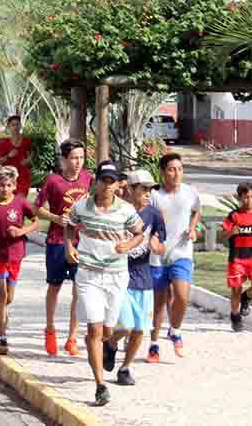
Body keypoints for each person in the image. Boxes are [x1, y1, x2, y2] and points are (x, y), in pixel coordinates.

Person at [65, 161, 144, 406]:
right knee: (93, 330)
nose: (108, 185)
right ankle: (100, 385)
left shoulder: (126, 210)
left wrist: (128, 245)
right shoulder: (82, 206)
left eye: (112, 181)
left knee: (108, 331)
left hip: (115, 275)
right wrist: (69, 246)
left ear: (118, 184)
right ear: (96, 181)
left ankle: (110, 346)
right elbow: (69, 224)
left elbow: (139, 233)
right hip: (88, 274)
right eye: (104, 180)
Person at [105, 169, 165, 386]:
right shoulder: (118, 212)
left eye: (151, 189)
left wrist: (157, 246)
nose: (148, 193)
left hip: (144, 278)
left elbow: (160, 243)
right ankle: (111, 344)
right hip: (120, 277)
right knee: (126, 325)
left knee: (141, 329)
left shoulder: (154, 215)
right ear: (130, 189)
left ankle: (125, 368)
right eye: (144, 188)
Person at [34, 139, 93, 356]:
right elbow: (37, 208)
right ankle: (50, 329)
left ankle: (72, 337)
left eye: (81, 157)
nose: (78, 162)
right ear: (64, 159)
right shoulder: (53, 181)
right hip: (57, 241)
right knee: (55, 287)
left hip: (82, 241)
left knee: (79, 289)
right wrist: (56, 218)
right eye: (74, 158)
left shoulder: (88, 178)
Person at [148, 152, 201, 361]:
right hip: (158, 255)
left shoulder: (190, 192)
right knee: (159, 303)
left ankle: (175, 330)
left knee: (182, 296)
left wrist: (192, 227)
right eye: (171, 169)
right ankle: (153, 343)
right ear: (162, 172)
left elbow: (197, 210)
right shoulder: (154, 196)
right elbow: (144, 219)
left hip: (182, 252)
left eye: (180, 169)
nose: (176, 173)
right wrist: (152, 239)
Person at [0, 166, 37, 356]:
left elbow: (36, 221)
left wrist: (21, 232)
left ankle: (4, 315)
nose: (5, 189)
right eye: (1, 185)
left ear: (14, 186)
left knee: (9, 297)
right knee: (1, 294)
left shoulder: (21, 202)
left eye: (8, 185)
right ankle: (2, 337)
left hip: (15, 253)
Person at [221, 182, 252, 332]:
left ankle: (246, 298)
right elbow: (222, 236)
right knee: (235, 290)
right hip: (237, 258)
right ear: (240, 198)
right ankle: (235, 316)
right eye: (246, 198)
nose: (249, 200)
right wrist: (230, 233)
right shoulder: (233, 216)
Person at [0, 115, 33, 197]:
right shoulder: (4, 143)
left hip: (23, 177)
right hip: (9, 177)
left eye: (17, 124)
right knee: (9, 201)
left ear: (20, 126)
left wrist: (28, 161)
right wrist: (9, 156)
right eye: (13, 125)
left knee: (21, 200)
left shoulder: (27, 141)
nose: (16, 127)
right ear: (9, 127)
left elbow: (31, 157)